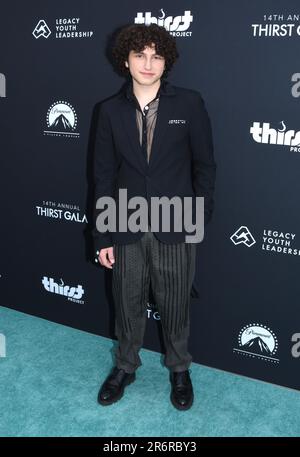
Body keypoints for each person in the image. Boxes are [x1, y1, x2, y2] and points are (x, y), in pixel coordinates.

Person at [92, 23, 216, 410]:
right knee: (126, 302)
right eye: (140, 55)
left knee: (175, 303)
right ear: (125, 60)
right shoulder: (108, 111)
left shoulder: (189, 103)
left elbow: (205, 167)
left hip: (176, 222)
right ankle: (125, 366)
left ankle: (179, 369)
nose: (148, 63)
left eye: (156, 55)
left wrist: (197, 217)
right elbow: (102, 177)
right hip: (124, 222)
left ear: (166, 61)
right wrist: (102, 236)